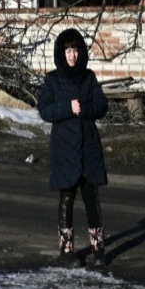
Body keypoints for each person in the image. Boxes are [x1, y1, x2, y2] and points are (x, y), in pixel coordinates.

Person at [38, 28, 109, 267]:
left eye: (75, 49)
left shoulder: (88, 77)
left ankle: (98, 249)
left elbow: (101, 105)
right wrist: (68, 108)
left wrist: (85, 109)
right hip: (64, 148)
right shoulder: (52, 80)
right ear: (61, 52)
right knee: (67, 197)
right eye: (68, 50)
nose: (72, 55)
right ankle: (66, 251)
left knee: (91, 197)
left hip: (88, 147)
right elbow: (45, 110)